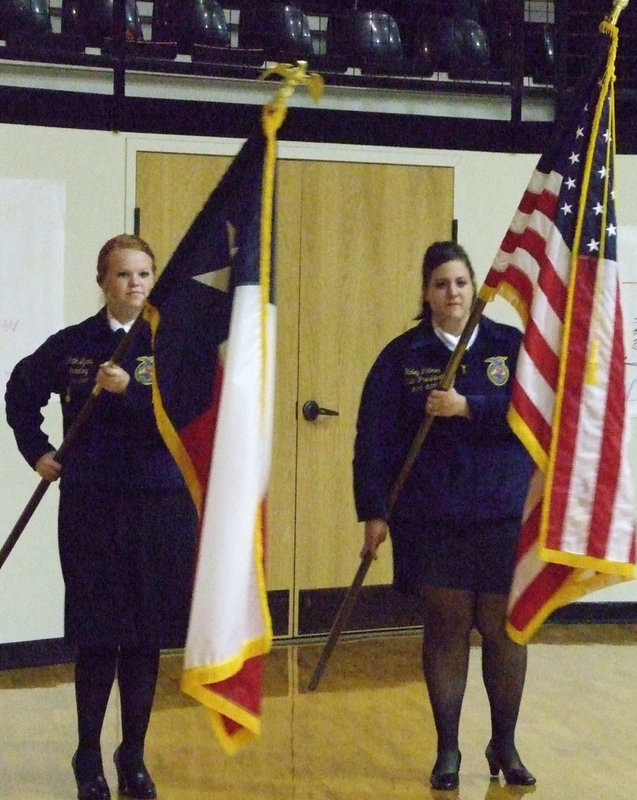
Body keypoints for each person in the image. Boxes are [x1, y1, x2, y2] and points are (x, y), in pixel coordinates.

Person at [5, 234, 198, 800]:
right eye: (122, 275)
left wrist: (131, 395)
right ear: (102, 281)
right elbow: (21, 388)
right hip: (92, 508)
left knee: (144, 638)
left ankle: (132, 754)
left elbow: (185, 413)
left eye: (143, 274)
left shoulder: (172, 345)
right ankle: (87, 754)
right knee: (97, 635)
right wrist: (37, 450)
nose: (134, 284)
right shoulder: (75, 345)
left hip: (160, 507)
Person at [353, 241, 535, 791]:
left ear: (475, 287)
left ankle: (504, 743)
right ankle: (448, 747)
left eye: (460, 283)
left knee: (504, 632)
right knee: (448, 628)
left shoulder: (510, 345)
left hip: (502, 511)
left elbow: (537, 412)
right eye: (440, 285)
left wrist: (469, 405)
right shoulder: (402, 355)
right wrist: (374, 511)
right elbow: (373, 441)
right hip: (431, 516)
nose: (451, 294)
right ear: (425, 292)